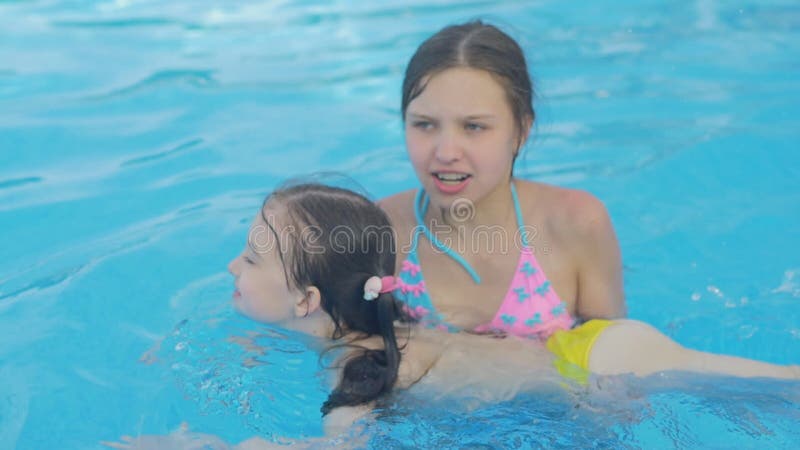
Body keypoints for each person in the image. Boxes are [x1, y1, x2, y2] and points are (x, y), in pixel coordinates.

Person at [104, 183, 797, 450]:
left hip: (603, 363)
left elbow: (336, 448)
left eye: (250, 258)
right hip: (590, 355)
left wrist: (201, 446)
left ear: (307, 303)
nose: (231, 267)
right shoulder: (376, 324)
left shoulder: (356, 368)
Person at [379, 21, 626, 337]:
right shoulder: (379, 229)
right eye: (424, 124)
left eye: (474, 127)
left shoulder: (576, 223)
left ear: (521, 132)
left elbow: (616, 371)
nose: (446, 152)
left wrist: (438, 355)